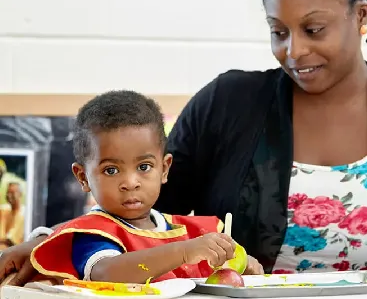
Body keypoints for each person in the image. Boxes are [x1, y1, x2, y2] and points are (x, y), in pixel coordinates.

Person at [2, 0, 367, 285]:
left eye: (314, 29)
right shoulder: (228, 102)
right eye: (278, 31)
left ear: (360, 15)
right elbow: (144, 208)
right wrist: (51, 240)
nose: (293, 51)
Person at [19, 91, 264, 285]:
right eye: (111, 170)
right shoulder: (94, 232)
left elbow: (215, 279)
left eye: (144, 167)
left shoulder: (190, 231)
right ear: (82, 177)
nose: (130, 182)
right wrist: (183, 252)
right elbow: (106, 274)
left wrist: (243, 266)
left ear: (165, 169)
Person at [0, 183, 25, 249]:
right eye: (8, 192)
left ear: (20, 194)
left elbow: (10, 241)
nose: (9, 195)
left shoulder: (22, 215)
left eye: (12, 193)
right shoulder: (4, 210)